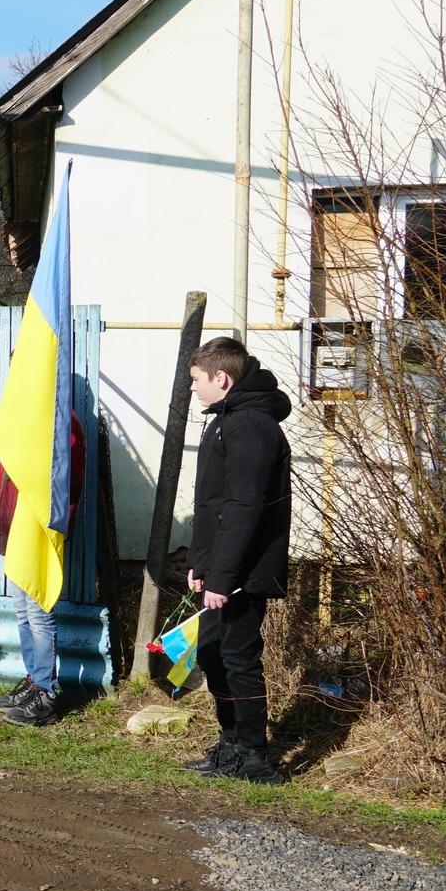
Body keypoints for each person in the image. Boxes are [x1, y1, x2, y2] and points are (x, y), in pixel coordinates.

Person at [183, 336, 291, 786]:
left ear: (221, 378)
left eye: (196, 380)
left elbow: (244, 509)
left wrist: (222, 578)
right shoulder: (225, 420)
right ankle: (230, 743)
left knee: (239, 658)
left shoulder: (250, 426)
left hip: (243, 573)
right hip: (220, 570)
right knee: (212, 656)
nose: (192, 388)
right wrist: (200, 565)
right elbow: (212, 505)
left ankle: (253, 754)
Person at [0, 414, 86, 727]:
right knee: (23, 612)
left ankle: (46, 695)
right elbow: (5, 475)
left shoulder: (63, 421)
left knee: (38, 614)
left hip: (39, 530)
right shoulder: (23, 412)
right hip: (15, 530)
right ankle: (34, 682)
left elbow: (66, 476)